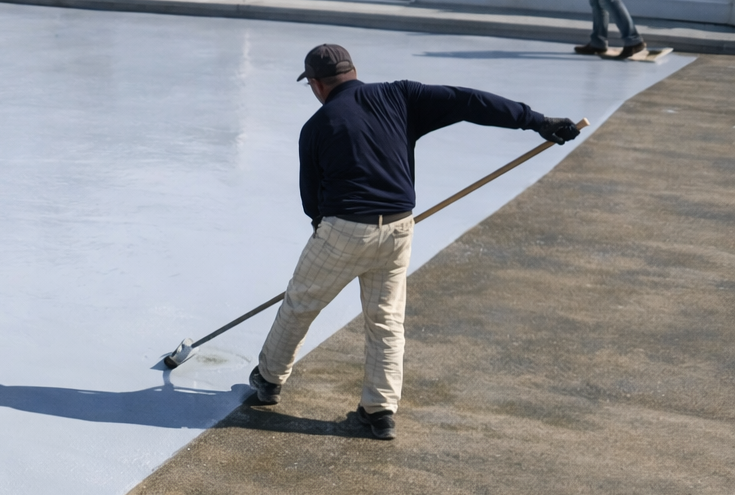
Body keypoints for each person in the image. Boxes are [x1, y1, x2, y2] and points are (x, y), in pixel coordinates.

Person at [247, 45, 581, 440]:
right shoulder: (401, 95)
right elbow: (468, 102)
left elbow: (312, 202)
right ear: (354, 71)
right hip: (400, 229)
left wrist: (329, 238)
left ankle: (268, 380)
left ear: (317, 85)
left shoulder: (317, 126)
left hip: (344, 229)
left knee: (300, 304)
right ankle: (379, 411)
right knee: (386, 321)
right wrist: (536, 121)